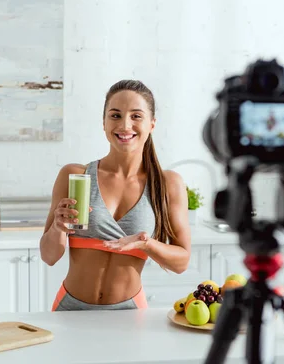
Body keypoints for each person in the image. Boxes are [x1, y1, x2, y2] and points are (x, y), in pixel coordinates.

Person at [40, 79, 192, 311]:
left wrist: (146, 244)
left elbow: (181, 262)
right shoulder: (76, 175)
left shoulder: (167, 183)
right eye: (115, 115)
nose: (125, 125)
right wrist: (58, 228)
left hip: (129, 312)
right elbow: (49, 256)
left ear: (152, 124)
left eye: (136, 116)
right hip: (70, 309)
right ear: (104, 123)